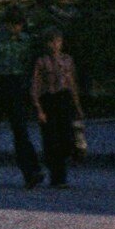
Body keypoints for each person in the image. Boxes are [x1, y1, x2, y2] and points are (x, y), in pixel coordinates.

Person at [0, 8, 42, 188]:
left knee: (21, 130)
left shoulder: (25, 41)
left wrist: (26, 88)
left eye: (19, 25)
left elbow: (28, 65)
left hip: (15, 84)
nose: (17, 29)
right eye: (14, 25)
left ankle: (31, 172)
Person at [32, 27, 82, 189]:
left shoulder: (67, 60)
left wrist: (77, 105)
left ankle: (65, 165)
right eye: (52, 41)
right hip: (49, 101)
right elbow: (36, 86)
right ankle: (57, 177)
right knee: (51, 139)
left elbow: (72, 83)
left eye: (58, 41)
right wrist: (38, 108)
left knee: (66, 136)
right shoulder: (41, 62)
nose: (55, 45)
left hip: (64, 99)